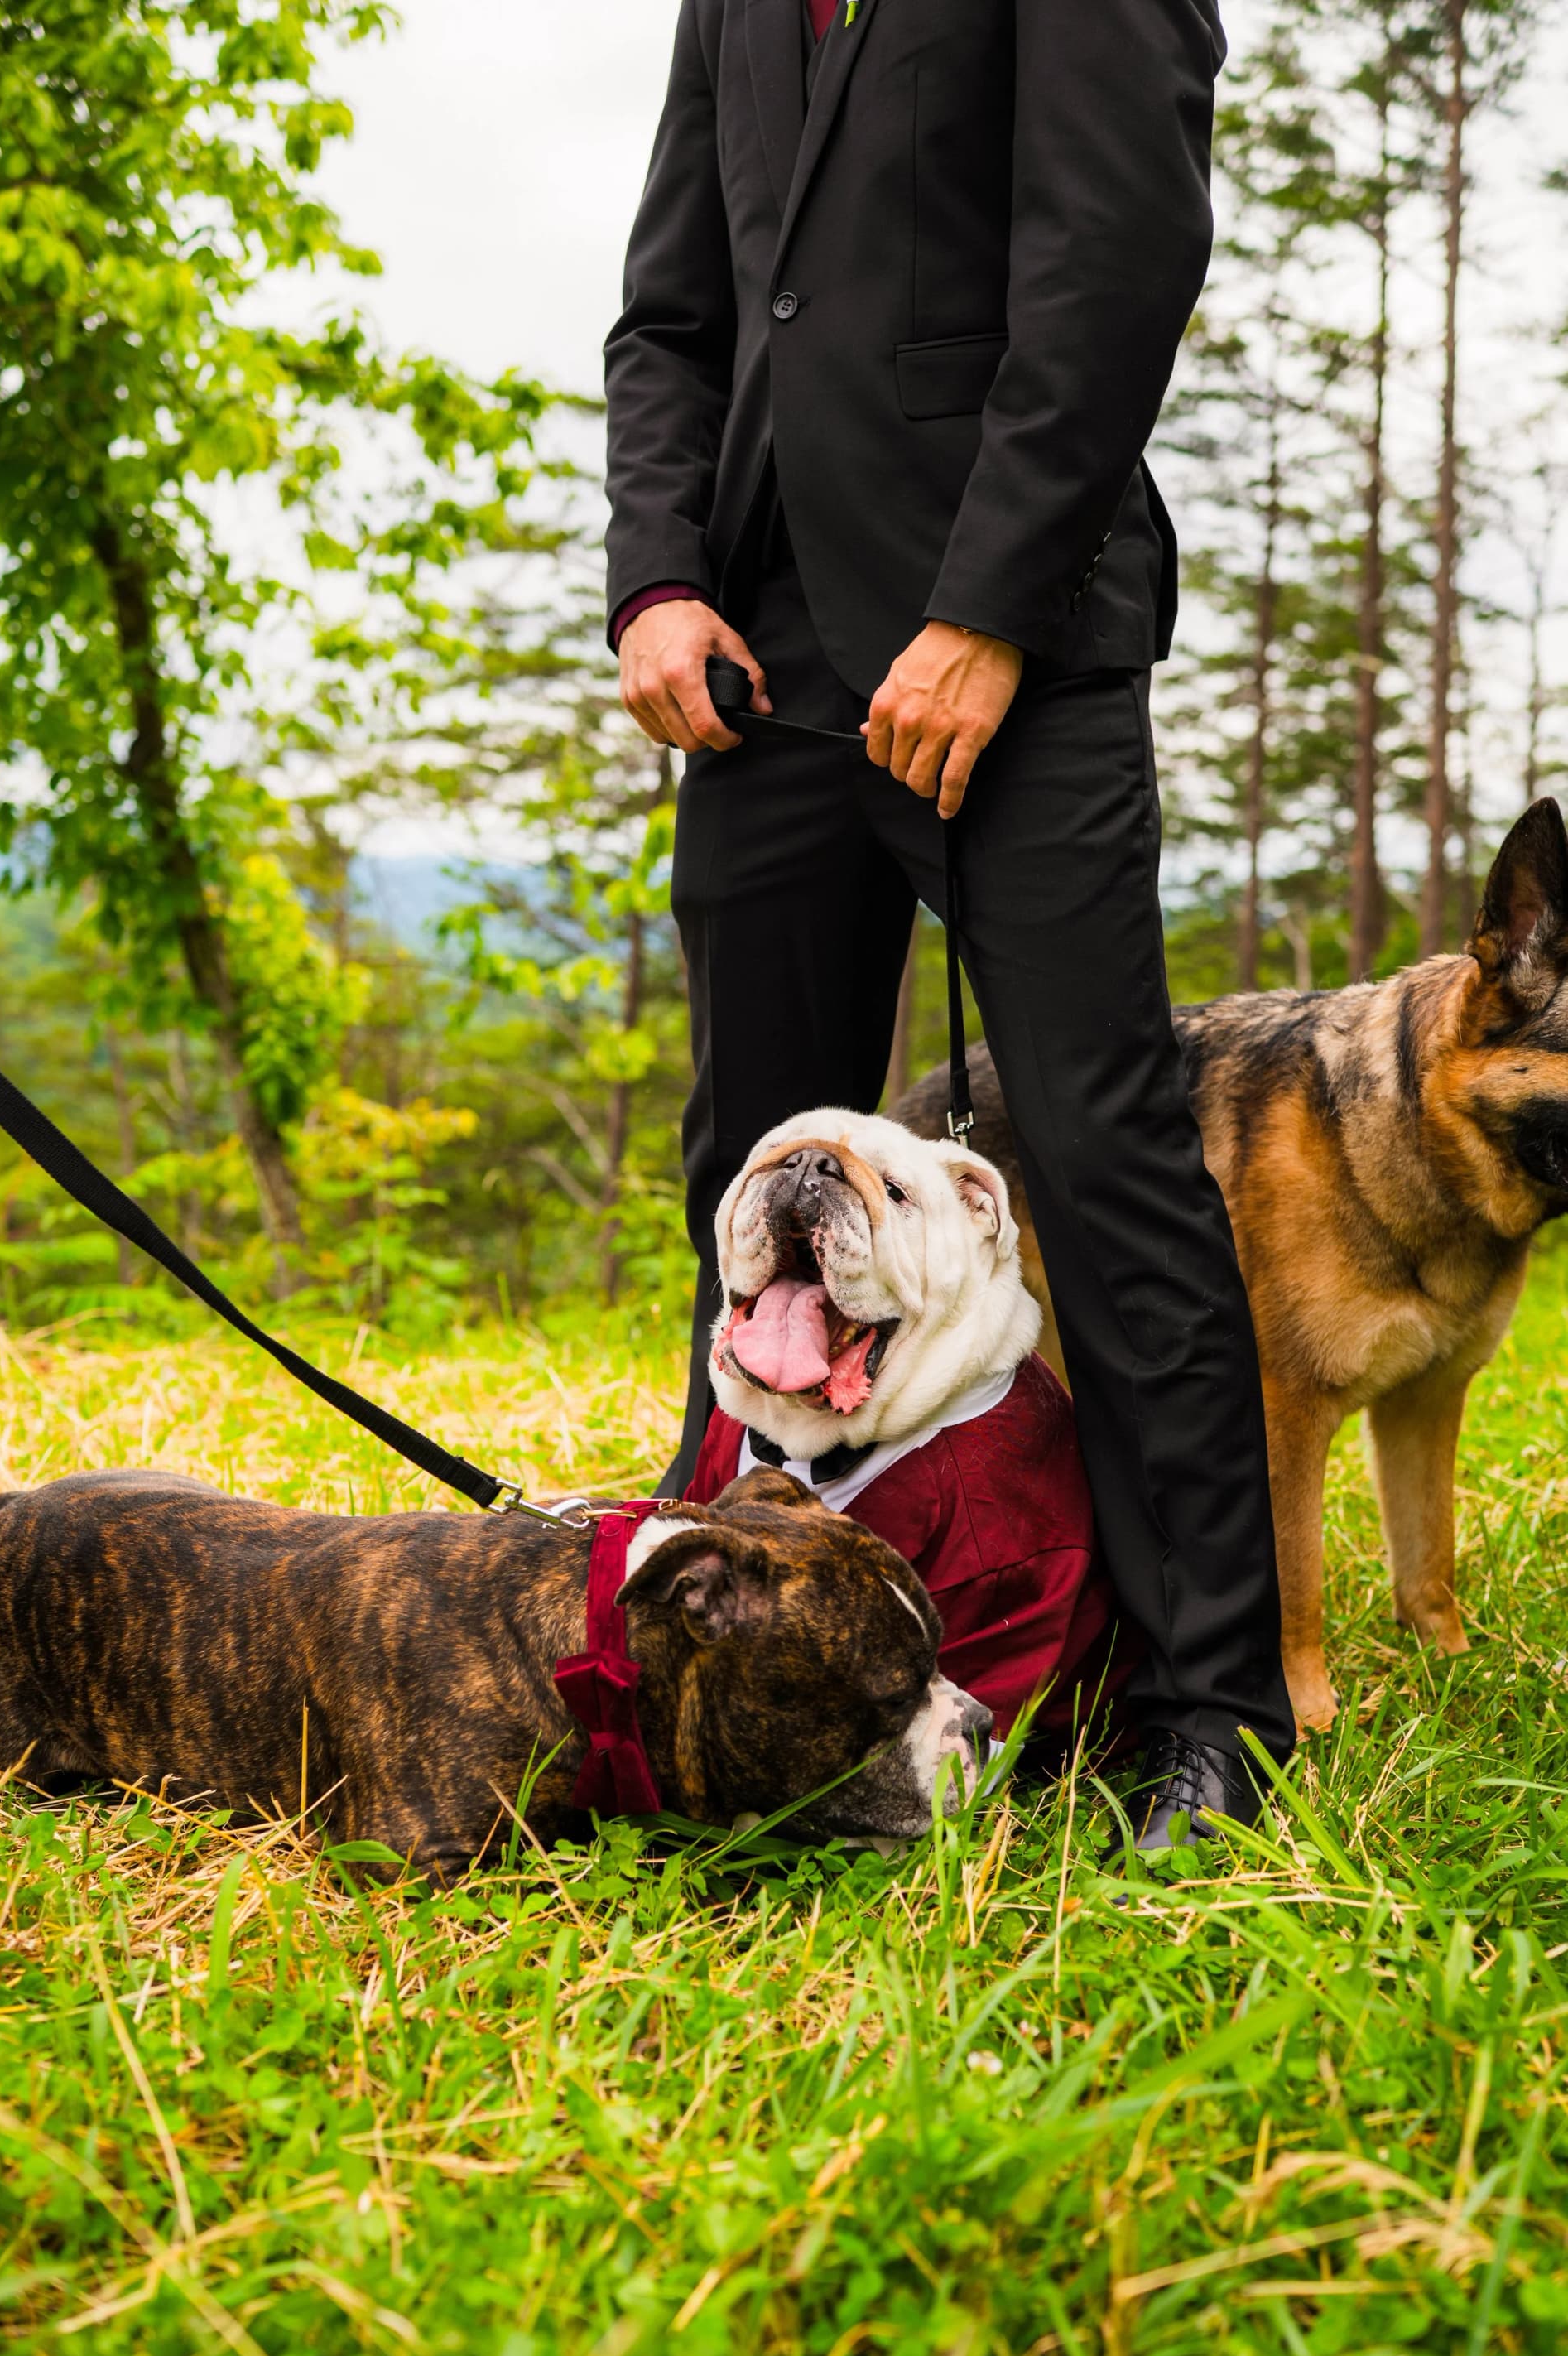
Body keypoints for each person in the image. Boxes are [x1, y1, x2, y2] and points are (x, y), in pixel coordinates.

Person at [604, 0, 1295, 1847]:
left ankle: (1210, 1714)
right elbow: (675, 308)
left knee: (1099, 1155)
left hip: (1021, 633)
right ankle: (704, 1654)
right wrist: (660, 578)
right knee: (746, 1171)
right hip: (761, 646)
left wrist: (989, 607)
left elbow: (1119, 247)